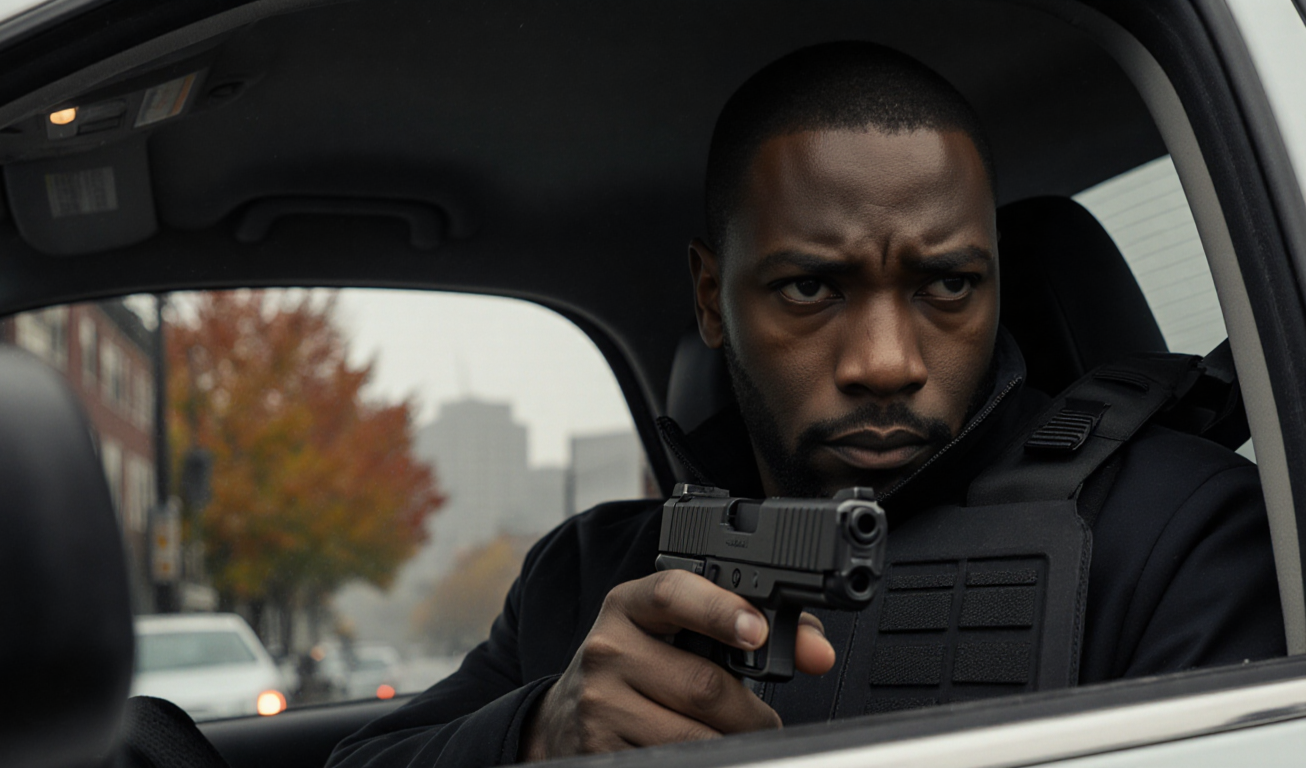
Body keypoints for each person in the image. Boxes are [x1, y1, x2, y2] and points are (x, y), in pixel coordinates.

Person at [328, 42, 1285, 767]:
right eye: (810, 289)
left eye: (948, 286)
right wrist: (541, 729)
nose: (885, 362)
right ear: (712, 298)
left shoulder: (1179, 532)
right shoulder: (591, 571)